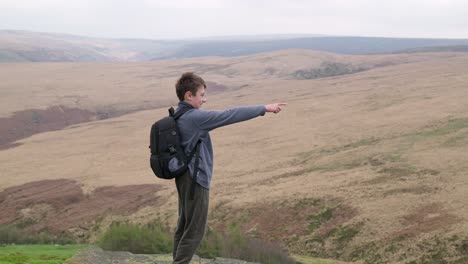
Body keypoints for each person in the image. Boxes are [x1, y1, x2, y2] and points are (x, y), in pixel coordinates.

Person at [172, 72, 286, 263]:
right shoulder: (194, 118)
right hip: (195, 179)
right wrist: (263, 108)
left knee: (184, 223)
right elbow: (229, 115)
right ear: (188, 96)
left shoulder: (178, 114)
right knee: (195, 229)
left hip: (183, 177)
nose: (204, 99)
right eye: (201, 95)